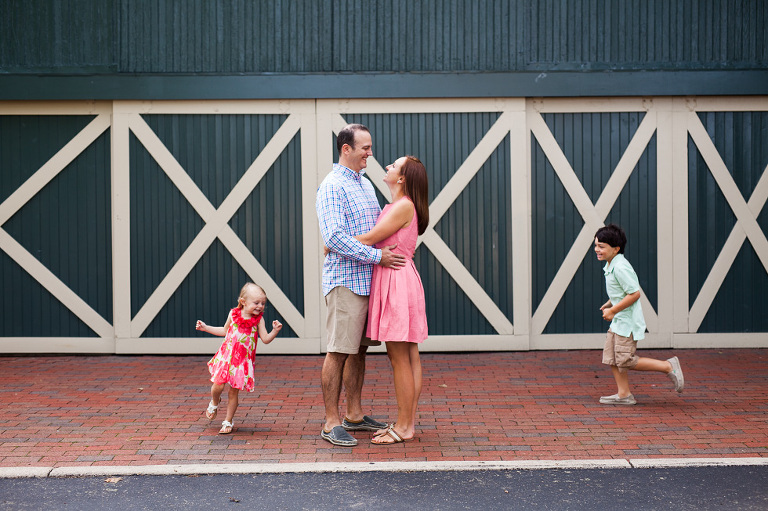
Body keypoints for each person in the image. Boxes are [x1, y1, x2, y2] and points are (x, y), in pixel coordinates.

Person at [315, 123, 406, 446]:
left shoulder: (365, 184)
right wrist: (377, 257)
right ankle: (330, 422)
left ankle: (353, 414)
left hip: (369, 282)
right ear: (346, 149)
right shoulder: (332, 186)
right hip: (346, 282)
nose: (371, 153)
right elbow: (334, 238)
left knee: (359, 352)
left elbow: (374, 228)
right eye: (365, 148)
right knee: (338, 351)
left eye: (370, 147)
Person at [354, 155, 429, 445]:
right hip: (402, 279)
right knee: (409, 357)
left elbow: (372, 238)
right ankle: (406, 423)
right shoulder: (401, 206)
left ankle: (404, 426)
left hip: (396, 282)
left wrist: (333, 243)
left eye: (393, 166)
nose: (387, 167)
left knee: (400, 358)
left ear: (402, 179)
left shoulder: (403, 206)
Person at [595, 224, 684, 405]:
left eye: (602, 246)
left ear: (616, 249)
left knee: (625, 360)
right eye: (596, 245)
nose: (597, 249)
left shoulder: (620, 267)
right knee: (612, 357)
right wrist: (611, 302)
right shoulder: (611, 264)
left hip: (626, 323)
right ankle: (624, 394)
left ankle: (668, 366)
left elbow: (634, 293)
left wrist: (613, 310)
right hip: (618, 321)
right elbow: (622, 291)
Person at [196, 282, 283, 433]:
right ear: (243, 302)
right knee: (218, 385)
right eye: (256, 303)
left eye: (263, 303)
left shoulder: (259, 320)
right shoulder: (233, 314)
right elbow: (224, 330)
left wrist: (274, 331)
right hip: (226, 357)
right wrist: (206, 327)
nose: (260, 306)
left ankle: (228, 421)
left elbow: (266, 339)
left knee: (233, 392)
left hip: (241, 363)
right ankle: (214, 402)